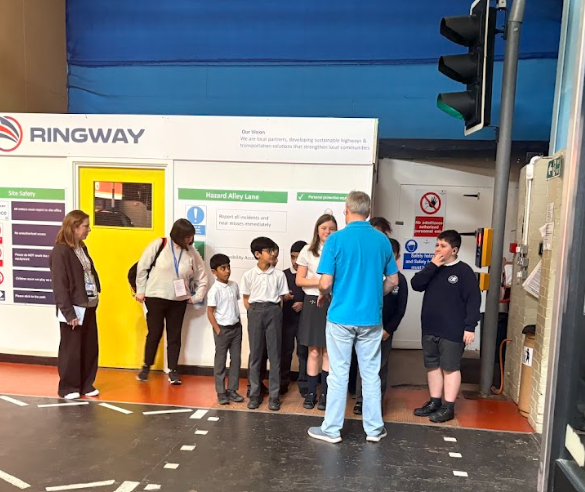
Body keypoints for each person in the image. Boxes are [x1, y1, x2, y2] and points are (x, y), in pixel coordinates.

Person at [307, 191, 398, 444]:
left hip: (341, 317)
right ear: (368, 212)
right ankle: (374, 429)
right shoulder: (382, 240)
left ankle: (332, 430)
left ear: (346, 210)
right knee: (370, 374)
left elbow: (325, 283)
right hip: (371, 318)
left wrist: (325, 292)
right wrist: (376, 295)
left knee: (338, 374)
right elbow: (393, 280)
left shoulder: (335, 239)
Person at [410, 229, 481, 423]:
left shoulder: (464, 271)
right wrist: (433, 265)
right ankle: (435, 402)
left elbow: (473, 300)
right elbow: (416, 284)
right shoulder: (432, 268)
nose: (438, 249)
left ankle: (448, 407)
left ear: (454, 250)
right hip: (430, 327)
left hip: (453, 329)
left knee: (450, 368)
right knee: (432, 366)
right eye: (437, 245)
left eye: (443, 246)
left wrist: (470, 327)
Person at [135, 219, 208, 385]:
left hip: (178, 300)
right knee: (154, 333)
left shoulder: (192, 252)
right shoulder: (159, 244)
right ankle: (146, 366)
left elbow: (202, 276)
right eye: (187, 237)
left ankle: (173, 370)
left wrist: (197, 297)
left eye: (191, 236)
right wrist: (141, 290)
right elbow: (142, 267)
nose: (190, 240)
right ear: (178, 235)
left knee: (174, 336)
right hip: (155, 297)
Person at [50, 210, 101, 400]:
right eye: (86, 226)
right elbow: (60, 285)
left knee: (89, 347)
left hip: (89, 305)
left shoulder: (81, 247)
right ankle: (68, 387)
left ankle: (86, 384)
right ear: (74, 227)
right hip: (74, 308)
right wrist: (68, 312)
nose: (89, 230)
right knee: (71, 349)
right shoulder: (60, 252)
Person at [354, 238, 408, 415]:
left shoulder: (400, 280)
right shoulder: (370, 275)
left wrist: (389, 330)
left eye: (392, 254)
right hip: (366, 327)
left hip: (385, 331)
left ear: (397, 256)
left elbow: (400, 309)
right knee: (363, 364)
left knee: (381, 367)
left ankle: (376, 402)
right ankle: (360, 400)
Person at [241, 237, 289, 411]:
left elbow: (281, 299)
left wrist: (274, 312)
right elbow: (246, 298)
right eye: (268, 251)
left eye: (273, 250)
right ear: (257, 254)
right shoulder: (249, 275)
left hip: (273, 310)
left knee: (275, 355)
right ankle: (254, 394)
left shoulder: (279, 275)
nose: (272, 254)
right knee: (255, 354)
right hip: (255, 311)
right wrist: (254, 312)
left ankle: (274, 397)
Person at [296, 214, 337, 410]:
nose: (327, 232)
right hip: (313, 302)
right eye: (324, 228)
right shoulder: (307, 250)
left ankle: (325, 395)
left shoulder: (339, 248)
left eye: (332, 228)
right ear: (317, 230)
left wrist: (327, 287)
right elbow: (299, 280)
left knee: (329, 352)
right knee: (313, 351)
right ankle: (311, 393)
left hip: (333, 301)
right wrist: (320, 283)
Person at [350, 216, 393, 396]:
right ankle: (358, 397)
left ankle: (374, 403)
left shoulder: (387, 259)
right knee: (358, 363)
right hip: (358, 318)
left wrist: (389, 328)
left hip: (380, 323)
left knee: (376, 367)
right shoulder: (360, 262)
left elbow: (399, 302)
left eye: (380, 234)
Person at [207, 254, 244, 405]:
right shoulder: (214, 290)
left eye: (228, 267)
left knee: (236, 360)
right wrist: (218, 330)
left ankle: (232, 390)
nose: (227, 271)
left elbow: (234, 304)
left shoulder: (234, 285)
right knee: (220, 361)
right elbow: (210, 312)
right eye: (223, 268)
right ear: (214, 272)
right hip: (222, 329)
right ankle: (221, 392)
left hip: (236, 328)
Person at [281, 240, 308, 396]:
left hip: (304, 319)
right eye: (293, 257)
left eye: (299, 257)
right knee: (285, 351)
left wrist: (303, 303)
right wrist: (283, 297)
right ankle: (283, 382)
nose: (296, 261)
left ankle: (304, 384)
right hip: (287, 319)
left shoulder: (311, 275)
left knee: (303, 352)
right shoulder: (283, 275)